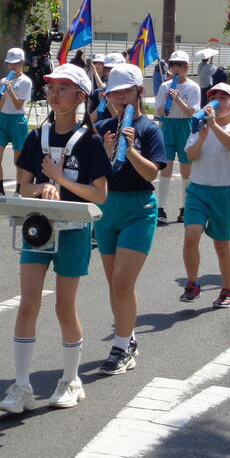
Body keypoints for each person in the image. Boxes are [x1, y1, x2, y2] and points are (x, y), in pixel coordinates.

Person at [0, 62, 109, 413]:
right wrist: (42, 187)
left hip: (74, 232)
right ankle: (21, 386)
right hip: (38, 231)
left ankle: (71, 380)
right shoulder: (36, 137)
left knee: (64, 307)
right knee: (28, 302)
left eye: (63, 88)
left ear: (80, 96)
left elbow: (99, 195)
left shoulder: (90, 141)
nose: (54, 93)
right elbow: (23, 187)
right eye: (51, 87)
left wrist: (60, 180)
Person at [94, 64, 166, 375]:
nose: (120, 97)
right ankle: (128, 337)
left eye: (126, 91)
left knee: (123, 281)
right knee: (114, 284)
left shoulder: (149, 129)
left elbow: (152, 173)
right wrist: (105, 150)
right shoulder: (102, 127)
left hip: (139, 209)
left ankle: (121, 348)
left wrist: (132, 149)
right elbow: (91, 172)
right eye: (115, 93)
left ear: (139, 91)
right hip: (107, 208)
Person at [180, 83, 230, 307]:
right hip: (197, 191)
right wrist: (202, 136)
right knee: (191, 235)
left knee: (222, 245)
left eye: (223, 97)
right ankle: (192, 283)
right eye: (213, 96)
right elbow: (191, 156)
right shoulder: (198, 127)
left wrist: (214, 125)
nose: (218, 100)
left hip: (223, 193)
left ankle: (228, 290)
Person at [154, 50, 200, 224]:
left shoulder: (193, 87)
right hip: (167, 126)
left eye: (180, 65)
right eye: (173, 64)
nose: (176, 68)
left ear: (187, 67)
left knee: (186, 170)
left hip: (185, 127)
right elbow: (159, 112)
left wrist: (178, 100)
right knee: (165, 168)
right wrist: (167, 99)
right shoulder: (164, 86)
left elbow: (191, 113)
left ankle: (186, 207)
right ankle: (161, 208)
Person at [0, 47, 31, 196]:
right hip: (3, 119)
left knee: (18, 160)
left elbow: (18, 105)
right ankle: (0, 190)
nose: (12, 66)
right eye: (10, 63)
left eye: (16, 63)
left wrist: (10, 90)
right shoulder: (3, 81)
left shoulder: (26, 82)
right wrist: (0, 99)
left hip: (17, 121)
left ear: (22, 63)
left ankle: (19, 190)